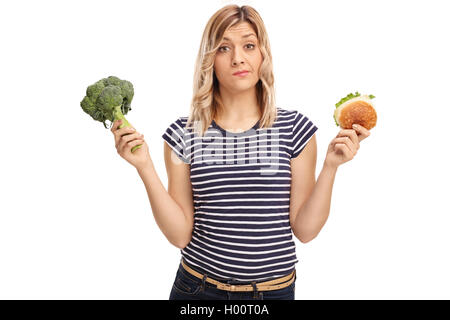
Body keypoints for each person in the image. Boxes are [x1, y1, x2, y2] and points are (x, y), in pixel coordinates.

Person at [110, 5, 371, 300]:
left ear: (263, 54)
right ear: (210, 59)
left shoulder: (295, 128)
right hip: (197, 291)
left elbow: (305, 230)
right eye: (223, 48)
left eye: (249, 45)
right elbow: (180, 235)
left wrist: (331, 167)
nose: (238, 58)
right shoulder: (182, 133)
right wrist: (144, 166)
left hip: (273, 294)